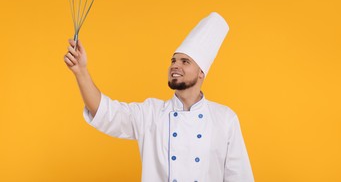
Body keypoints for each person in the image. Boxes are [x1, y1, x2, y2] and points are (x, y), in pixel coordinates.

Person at [64, 12, 254, 182]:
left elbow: (240, 177)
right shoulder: (151, 113)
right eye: (173, 60)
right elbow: (105, 112)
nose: (175, 66)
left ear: (201, 73)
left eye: (185, 61)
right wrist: (81, 71)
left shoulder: (225, 119)